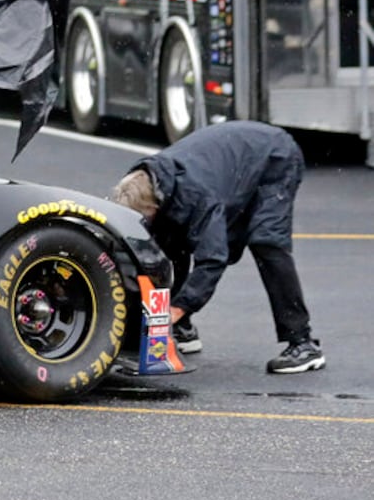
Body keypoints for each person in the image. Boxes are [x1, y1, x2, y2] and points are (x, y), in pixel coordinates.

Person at [108, 121, 323, 374]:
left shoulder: (197, 196)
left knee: (267, 243)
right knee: (167, 245)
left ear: (155, 206)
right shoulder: (144, 182)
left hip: (272, 157)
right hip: (229, 160)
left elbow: (212, 259)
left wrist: (178, 307)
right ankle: (182, 329)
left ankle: (303, 342)